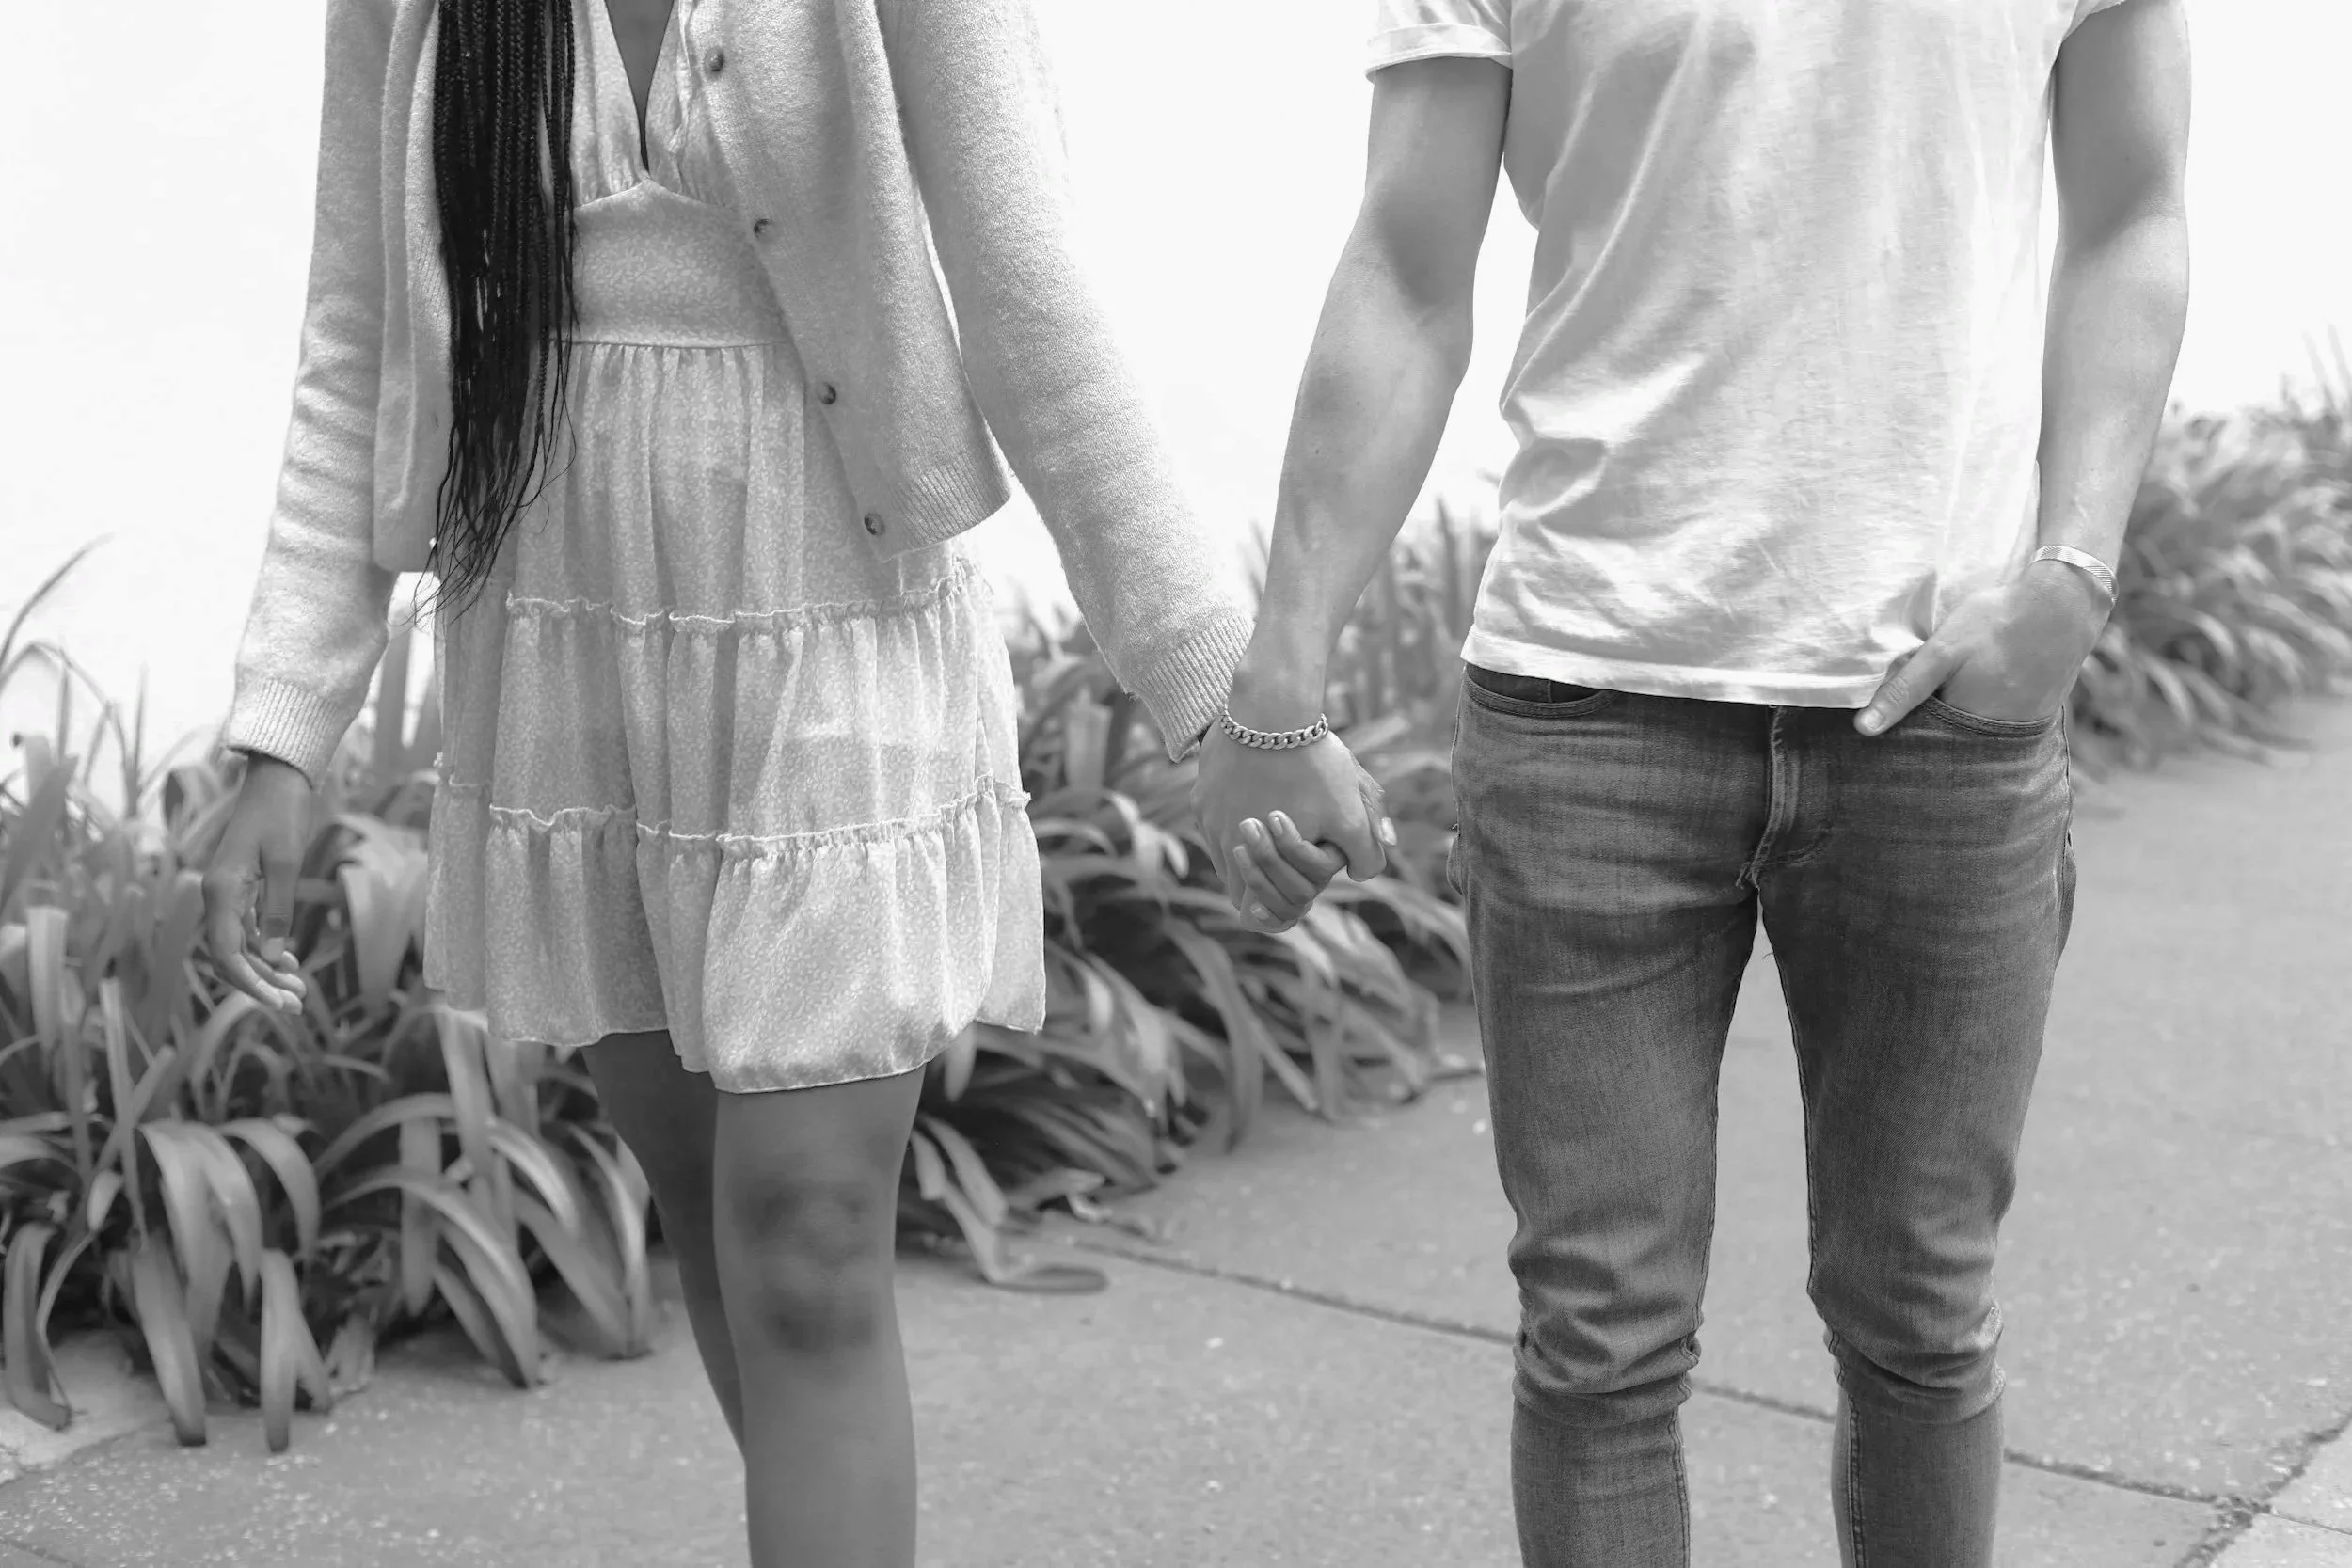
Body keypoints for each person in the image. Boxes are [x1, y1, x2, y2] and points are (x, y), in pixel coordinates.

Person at [200, 2, 1251, 1563]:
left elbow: (1031, 290)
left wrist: (1214, 689)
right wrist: (285, 720)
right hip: (567, 639)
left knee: (805, 1241)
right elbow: (358, 333)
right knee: (710, 1205)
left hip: (828, 606)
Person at [1195, 0, 2191, 1561]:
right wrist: (1281, 665)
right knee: (1599, 1339)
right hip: (1587, 707)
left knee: (1921, 1316)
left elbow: (2131, 213)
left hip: (1936, 713)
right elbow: (1404, 266)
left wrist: (2070, 573)